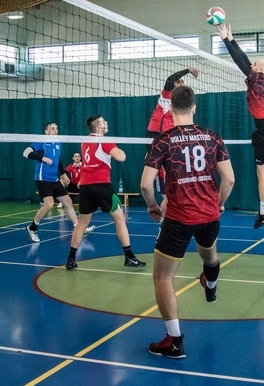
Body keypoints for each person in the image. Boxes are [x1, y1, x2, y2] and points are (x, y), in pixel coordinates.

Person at [140, 85, 235, 358]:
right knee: (210, 256)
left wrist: (152, 206)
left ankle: (174, 341)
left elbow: (146, 184)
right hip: (209, 216)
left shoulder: (163, 140)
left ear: (170, 109)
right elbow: (229, 179)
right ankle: (211, 287)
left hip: (179, 218)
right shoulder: (213, 136)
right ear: (194, 107)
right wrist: (218, 203)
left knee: (162, 277)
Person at [216, 22, 264, 228]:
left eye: (254, 64)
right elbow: (245, 60)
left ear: (259, 70)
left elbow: (239, 61)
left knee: (263, 174)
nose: (251, 65)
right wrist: (232, 38)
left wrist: (225, 40)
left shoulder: (257, 80)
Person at [64, 115, 146, 270]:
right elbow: (121, 157)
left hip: (86, 187)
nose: (106, 122)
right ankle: (129, 257)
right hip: (101, 186)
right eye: (103, 121)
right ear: (98, 127)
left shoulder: (85, 141)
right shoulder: (105, 141)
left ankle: (71, 259)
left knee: (82, 222)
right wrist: (118, 148)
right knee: (120, 219)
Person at [23, 122, 94, 243]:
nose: (56, 130)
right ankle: (32, 228)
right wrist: (42, 158)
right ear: (46, 131)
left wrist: (63, 173)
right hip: (42, 179)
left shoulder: (57, 143)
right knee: (49, 204)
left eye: (56, 128)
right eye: (53, 128)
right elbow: (26, 153)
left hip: (54, 179)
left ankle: (79, 229)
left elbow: (58, 160)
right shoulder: (41, 142)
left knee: (68, 202)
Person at [146, 67, 199, 213]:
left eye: (183, 82)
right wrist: (188, 70)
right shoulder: (166, 96)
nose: (181, 83)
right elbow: (170, 79)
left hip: (174, 138)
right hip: (157, 135)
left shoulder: (182, 104)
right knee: (167, 192)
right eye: (178, 81)